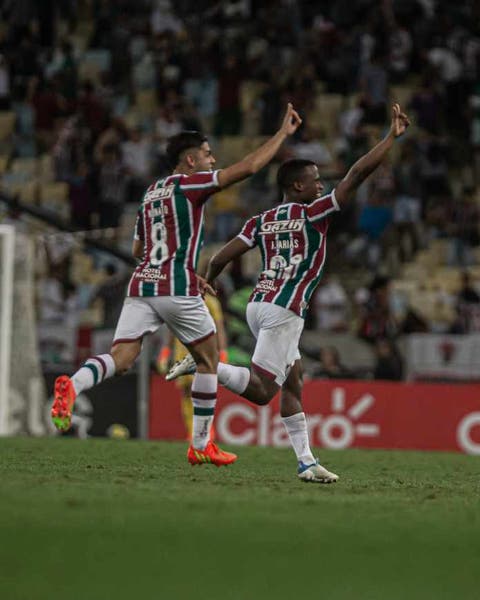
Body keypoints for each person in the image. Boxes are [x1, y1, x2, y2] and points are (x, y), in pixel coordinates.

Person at [51, 103, 303, 469]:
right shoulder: (190, 185)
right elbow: (246, 168)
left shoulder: (151, 192)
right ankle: (201, 444)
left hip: (142, 285)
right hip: (176, 288)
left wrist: (178, 264)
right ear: (189, 161)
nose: (212, 159)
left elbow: (139, 248)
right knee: (207, 360)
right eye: (206, 154)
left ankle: (72, 386)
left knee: (121, 359)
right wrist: (282, 135)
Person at [167, 104, 410, 482]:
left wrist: (207, 278)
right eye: (315, 182)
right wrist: (390, 137)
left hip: (257, 303)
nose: (321, 187)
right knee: (264, 391)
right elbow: (357, 173)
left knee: (294, 380)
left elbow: (222, 255)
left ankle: (306, 461)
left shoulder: (260, 220)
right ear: (298, 187)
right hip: (285, 309)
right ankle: (206, 367)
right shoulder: (315, 214)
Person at [157, 292, 228, 441]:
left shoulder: (211, 302)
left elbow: (219, 328)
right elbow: (172, 327)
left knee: (203, 389)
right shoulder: (180, 299)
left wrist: (223, 352)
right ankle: (192, 431)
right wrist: (166, 351)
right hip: (182, 349)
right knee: (186, 391)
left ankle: (206, 430)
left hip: (204, 349)